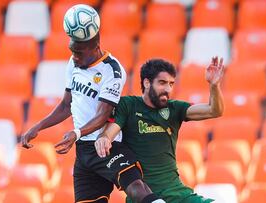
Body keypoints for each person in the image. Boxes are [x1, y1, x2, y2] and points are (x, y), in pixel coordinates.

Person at [21, 4, 164, 203]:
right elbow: (65, 105)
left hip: (107, 144)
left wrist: (76, 132)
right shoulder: (74, 64)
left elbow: (103, 115)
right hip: (84, 152)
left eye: (79, 52)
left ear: (95, 47)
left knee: (136, 188)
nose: (74, 56)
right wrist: (38, 126)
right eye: (72, 51)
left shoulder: (111, 71)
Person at [95, 57, 225, 202]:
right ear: (147, 83)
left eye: (171, 84)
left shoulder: (174, 108)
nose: (168, 89)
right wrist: (104, 138)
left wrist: (214, 85)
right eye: (162, 83)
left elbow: (214, 111)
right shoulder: (129, 105)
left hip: (178, 194)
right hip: (142, 195)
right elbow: (110, 131)